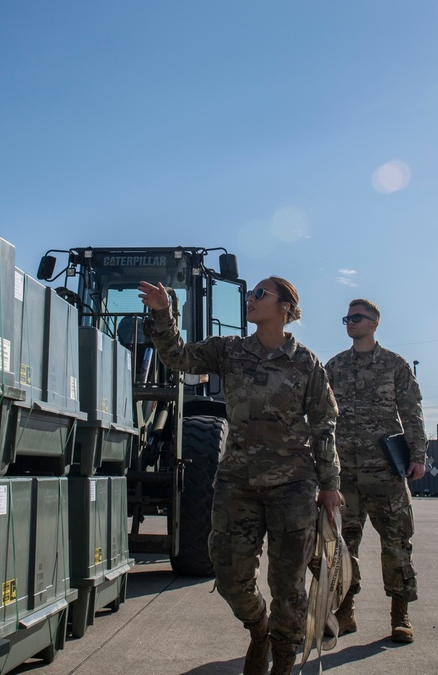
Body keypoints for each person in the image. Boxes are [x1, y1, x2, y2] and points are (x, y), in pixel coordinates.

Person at [138, 276, 341, 675]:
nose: (251, 299)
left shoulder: (306, 363)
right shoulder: (228, 350)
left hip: (293, 485)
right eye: (250, 294)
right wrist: (163, 314)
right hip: (238, 482)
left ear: (285, 307)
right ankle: (259, 628)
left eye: (260, 294)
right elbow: (177, 357)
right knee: (230, 576)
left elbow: (324, 423)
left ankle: (282, 657)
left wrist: (330, 483)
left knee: (288, 584)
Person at [325, 299, 426, 644]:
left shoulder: (394, 365)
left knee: (397, 545)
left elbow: (411, 413)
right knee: (341, 547)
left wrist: (419, 456)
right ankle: (344, 612)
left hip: (385, 474)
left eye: (356, 318)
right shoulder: (334, 366)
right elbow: (321, 417)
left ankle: (400, 615)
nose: (349, 323)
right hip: (344, 476)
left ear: (374, 323)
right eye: (346, 318)